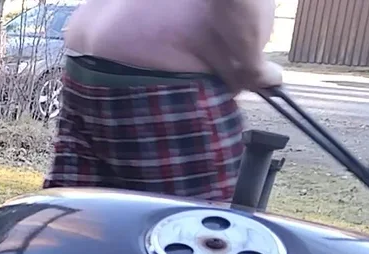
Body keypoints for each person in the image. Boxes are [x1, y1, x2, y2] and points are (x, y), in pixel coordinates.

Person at [43, 0, 285, 201]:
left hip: (84, 63)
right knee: (195, 230)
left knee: (78, 222)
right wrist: (254, 67)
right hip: (162, 81)